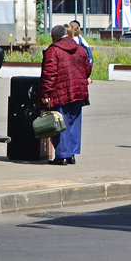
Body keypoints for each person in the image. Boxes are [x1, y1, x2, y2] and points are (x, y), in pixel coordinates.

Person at [40, 23, 91, 165]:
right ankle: (71, 155)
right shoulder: (80, 49)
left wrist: (45, 93)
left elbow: (49, 74)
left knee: (60, 121)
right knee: (74, 122)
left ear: (53, 37)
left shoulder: (53, 50)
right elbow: (88, 69)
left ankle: (62, 155)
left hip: (60, 91)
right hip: (79, 92)